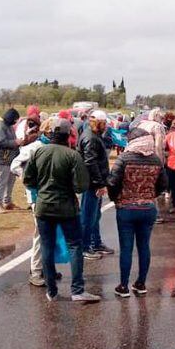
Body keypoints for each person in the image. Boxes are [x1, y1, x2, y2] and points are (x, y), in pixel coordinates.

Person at [23, 118, 101, 303]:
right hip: (67, 207)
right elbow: (81, 186)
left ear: (50, 133)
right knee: (75, 246)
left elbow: (28, 180)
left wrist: (43, 187)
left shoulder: (38, 152)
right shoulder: (72, 156)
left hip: (43, 206)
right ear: (68, 135)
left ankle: (51, 290)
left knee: (46, 246)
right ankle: (77, 289)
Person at [107, 128, 168, 297]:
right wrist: (149, 196)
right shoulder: (156, 160)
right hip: (148, 208)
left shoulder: (123, 158)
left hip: (126, 208)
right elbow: (163, 184)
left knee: (126, 248)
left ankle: (123, 286)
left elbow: (112, 182)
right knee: (144, 246)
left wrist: (116, 199)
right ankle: (141, 283)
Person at [11, 118, 56, 287]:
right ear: (47, 131)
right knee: (41, 234)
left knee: (50, 233)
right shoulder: (33, 148)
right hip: (37, 196)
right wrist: (27, 178)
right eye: (54, 131)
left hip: (50, 195)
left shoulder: (53, 147)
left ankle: (46, 267)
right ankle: (36, 271)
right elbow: (15, 165)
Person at [77, 110, 114, 260]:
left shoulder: (93, 136)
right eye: (104, 123)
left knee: (95, 215)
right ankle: (85, 247)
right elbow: (90, 162)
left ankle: (95, 243)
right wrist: (99, 184)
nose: (105, 126)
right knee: (88, 216)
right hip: (91, 184)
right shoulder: (90, 137)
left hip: (94, 182)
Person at [0, 108, 27, 213]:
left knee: (11, 181)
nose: (15, 122)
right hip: (3, 158)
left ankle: (7, 202)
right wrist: (15, 142)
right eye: (14, 119)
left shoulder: (8, 125)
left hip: (11, 158)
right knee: (2, 181)